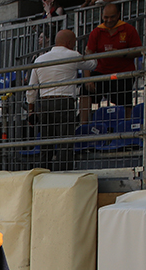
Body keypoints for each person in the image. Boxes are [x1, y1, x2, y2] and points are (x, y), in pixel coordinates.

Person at [27, 29, 95, 169]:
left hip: (45, 102)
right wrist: (89, 54)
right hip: (65, 101)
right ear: (70, 42)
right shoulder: (73, 55)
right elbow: (92, 65)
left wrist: (31, 110)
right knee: (65, 141)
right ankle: (65, 173)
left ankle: (44, 171)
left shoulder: (40, 59)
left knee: (46, 142)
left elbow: (31, 88)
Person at [85, 4, 142, 109]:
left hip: (124, 72)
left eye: (112, 17)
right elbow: (88, 56)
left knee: (125, 98)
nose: (109, 20)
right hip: (102, 72)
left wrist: (121, 53)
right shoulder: (96, 32)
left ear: (118, 15)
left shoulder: (128, 29)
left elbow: (139, 52)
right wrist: (88, 79)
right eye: (106, 17)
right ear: (102, 16)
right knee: (85, 90)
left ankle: (126, 123)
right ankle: (84, 123)